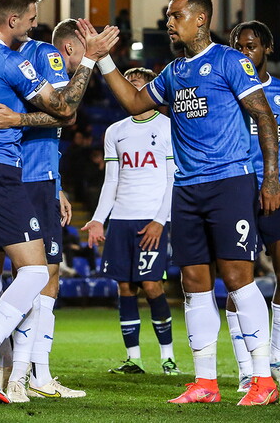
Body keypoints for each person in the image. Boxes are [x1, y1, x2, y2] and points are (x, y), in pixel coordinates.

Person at [96, 0, 280, 405]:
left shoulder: (230, 62)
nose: (169, 22)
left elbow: (265, 117)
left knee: (237, 279)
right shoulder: (173, 72)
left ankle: (262, 380)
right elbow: (131, 100)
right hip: (186, 188)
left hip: (230, 182)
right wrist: (102, 59)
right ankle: (206, 383)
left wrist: (270, 179)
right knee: (194, 283)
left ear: (201, 19)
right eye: (168, 16)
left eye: (176, 15)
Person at [0, 0, 118, 404]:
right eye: (31, 19)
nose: (35, 26)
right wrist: (90, 60)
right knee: (37, 273)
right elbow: (65, 109)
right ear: (13, 19)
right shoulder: (12, 62)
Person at [80, 67, 180, 377]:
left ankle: (168, 358)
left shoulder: (168, 128)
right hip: (121, 220)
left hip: (151, 219)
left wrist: (160, 221)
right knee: (125, 287)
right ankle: (133, 358)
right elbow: (111, 180)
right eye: (128, 84)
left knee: (152, 286)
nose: (132, 89)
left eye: (139, 85)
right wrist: (98, 220)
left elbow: (172, 179)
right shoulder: (115, 131)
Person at [226, 20, 280, 394]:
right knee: (239, 280)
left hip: (277, 195)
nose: (245, 52)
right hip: (238, 192)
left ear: (267, 49)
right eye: (239, 46)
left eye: (252, 46)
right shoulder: (227, 91)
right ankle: (246, 368)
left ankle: (276, 359)